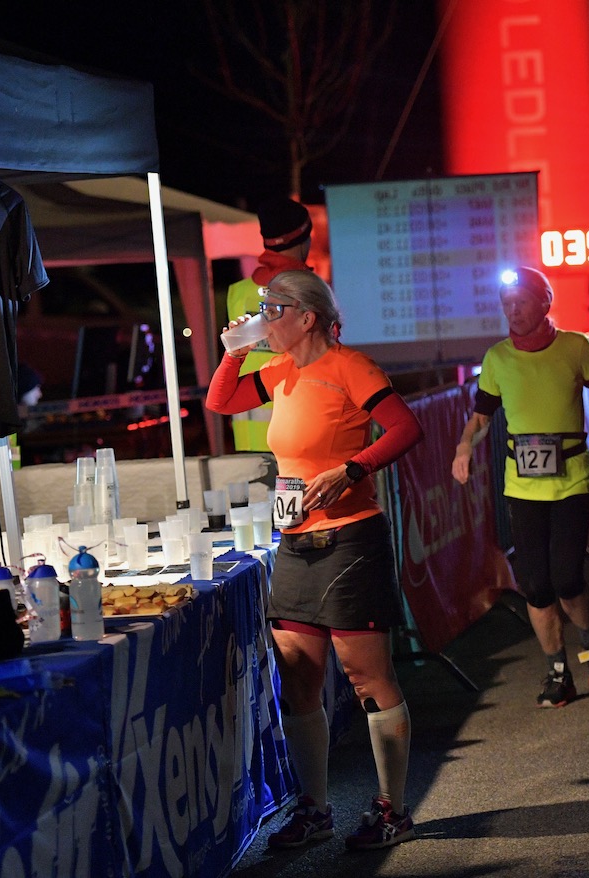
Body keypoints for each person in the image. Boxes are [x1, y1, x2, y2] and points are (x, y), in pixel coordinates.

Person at [206, 269, 424, 851]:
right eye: (262, 308)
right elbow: (220, 401)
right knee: (298, 680)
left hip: (350, 541)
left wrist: (353, 468)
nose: (263, 316)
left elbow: (406, 427)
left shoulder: (351, 366)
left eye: (272, 309)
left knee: (366, 678)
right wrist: (237, 350)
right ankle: (315, 809)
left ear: (307, 316)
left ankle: (393, 809)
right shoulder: (279, 370)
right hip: (295, 544)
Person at [451, 267, 589, 708]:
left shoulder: (574, 347)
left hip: (571, 483)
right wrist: (463, 449)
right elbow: (482, 415)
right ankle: (557, 671)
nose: (512, 311)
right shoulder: (498, 359)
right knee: (536, 586)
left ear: (545, 303)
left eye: (521, 302)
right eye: (506, 304)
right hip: (522, 487)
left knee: (568, 579)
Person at [225, 197, 314, 455]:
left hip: (249, 442)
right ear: (302, 240)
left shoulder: (238, 293)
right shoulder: (308, 292)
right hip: (300, 435)